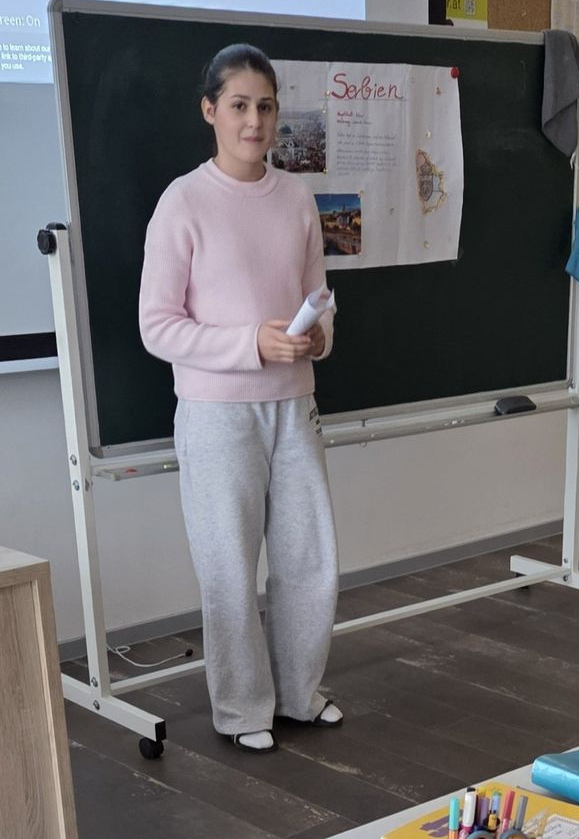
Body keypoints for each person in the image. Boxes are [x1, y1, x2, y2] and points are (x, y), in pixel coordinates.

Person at [139, 43, 342, 753]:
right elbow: (157, 326)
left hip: (294, 403)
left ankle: (297, 694)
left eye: (265, 106)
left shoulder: (295, 197)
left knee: (308, 559)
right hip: (217, 411)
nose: (254, 121)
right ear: (210, 111)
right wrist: (250, 342)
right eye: (238, 106)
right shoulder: (183, 202)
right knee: (230, 562)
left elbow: (319, 295)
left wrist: (319, 336)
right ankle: (242, 709)